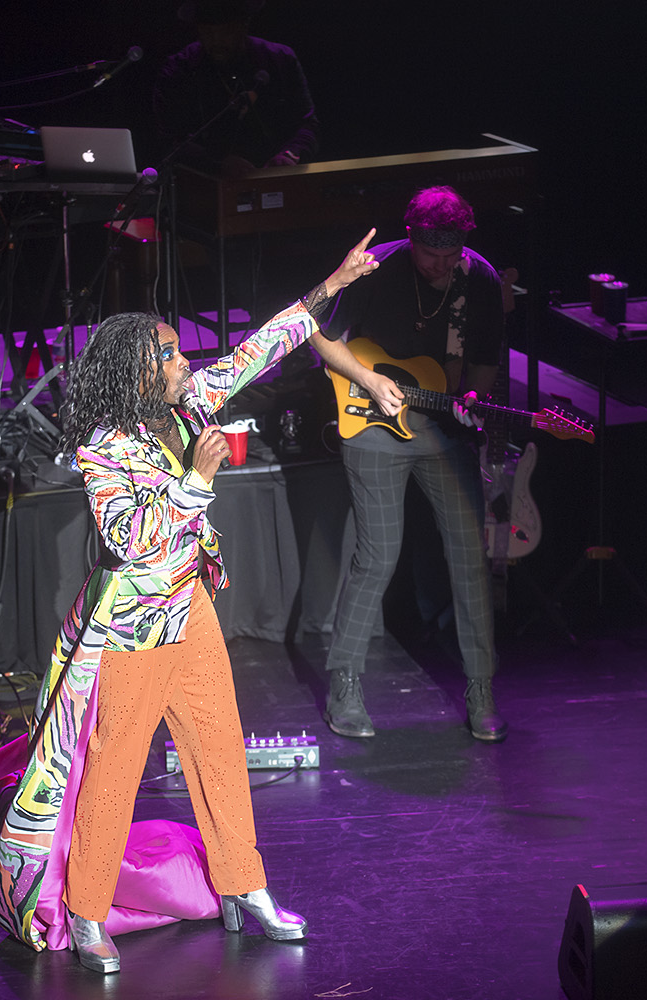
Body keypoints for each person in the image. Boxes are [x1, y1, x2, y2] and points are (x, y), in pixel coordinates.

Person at [0, 232, 378, 973]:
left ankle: (246, 888)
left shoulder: (186, 404)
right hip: (134, 625)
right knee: (117, 770)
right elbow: (130, 538)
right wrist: (197, 483)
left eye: (176, 352)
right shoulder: (105, 445)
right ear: (138, 372)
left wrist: (331, 284)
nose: (183, 363)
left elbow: (254, 352)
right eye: (167, 355)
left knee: (219, 752)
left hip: (189, 611)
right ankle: (89, 913)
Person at [309, 186, 509, 743]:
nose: (442, 266)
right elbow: (318, 339)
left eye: (452, 256)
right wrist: (371, 380)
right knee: (378, 557)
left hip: (441, 432)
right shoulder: (381, 268)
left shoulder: (481, 280)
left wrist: (470, 405)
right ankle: (345, 682)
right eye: (432, 255)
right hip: (371, 425)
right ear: (413, 239)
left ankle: (481, 687)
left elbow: (486, 362)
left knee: (470, 556)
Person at [153, 0, 319, 177]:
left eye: (226, 32)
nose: (216, 41)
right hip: (206, 185)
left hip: (277, 178)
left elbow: (307, 124)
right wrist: (217, 163)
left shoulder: (280, 59)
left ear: (244, 25)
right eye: (207, 32)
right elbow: (170, 140)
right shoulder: (179, 69)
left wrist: (290, 154)